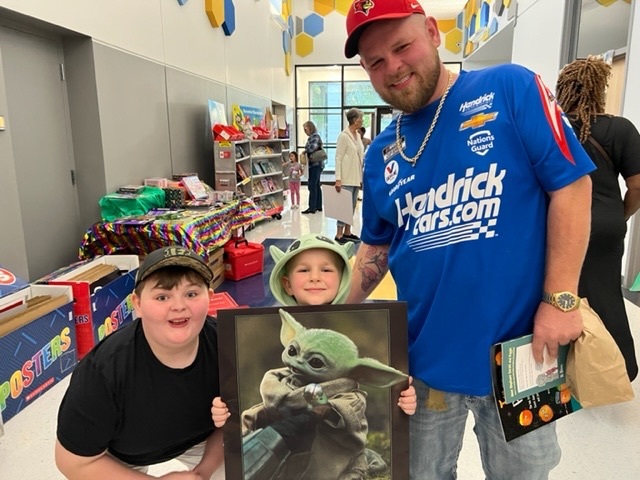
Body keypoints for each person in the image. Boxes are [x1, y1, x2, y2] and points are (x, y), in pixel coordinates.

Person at [342, 1, 596, 479]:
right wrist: (327, 311)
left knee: (524, 473)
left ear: (433, 33)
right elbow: (374, 251)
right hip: (422, 361)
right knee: (421, 473)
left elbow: (572, 184)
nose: (392, 67)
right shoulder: (380, 154)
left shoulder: (510, 87)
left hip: (527, 352)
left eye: (402, 46)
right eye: (376, 61)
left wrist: (561, 299)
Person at [212, 234, 416, 476]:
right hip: (277, 445)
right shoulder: (282, 377)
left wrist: (403, 400)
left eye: (326, 269)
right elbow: (258, 410)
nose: (315, 277)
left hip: (327, 454)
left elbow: (349, 416)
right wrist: (226, 413)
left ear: (342, 280)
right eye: (304, 270)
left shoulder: (349, 393)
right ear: (287, 283)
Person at [55, 246, 224, 480]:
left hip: (204, 440)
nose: (178, 306)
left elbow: (235, 425)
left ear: (210, 298)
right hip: (120, 456)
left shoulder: (227, 344)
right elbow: (73, 462)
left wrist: (202, 474)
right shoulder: (104, 371)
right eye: (162, 296)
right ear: (138, 304)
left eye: (192, 294)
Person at [556, 56, 640, 381]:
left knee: (559, 295)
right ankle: (617, 370)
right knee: (606, 294)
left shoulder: (554, 129)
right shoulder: (620, 129)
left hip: (558, 224)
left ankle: (558, 370)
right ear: (600, 88)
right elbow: (636, 185)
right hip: (605, 224)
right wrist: (619, 214)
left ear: (563, 89)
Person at [334, 108, 365, 244]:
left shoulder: (357, 136)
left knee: (352, 206)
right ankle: (339, 234)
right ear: (354, 120)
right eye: (360, 118)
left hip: (355, 176)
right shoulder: (344, 136)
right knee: (343, 206)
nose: (362, 121)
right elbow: (338, 157)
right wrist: (338, 178)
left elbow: (360, 156)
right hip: (345, 177)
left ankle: (348, 231)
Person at [301, 121, 324, 214]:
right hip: (317, 164)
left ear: (310, 128)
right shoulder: (314, 136)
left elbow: (312, 148)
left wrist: (304, 151)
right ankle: (318, 206)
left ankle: (312, 207)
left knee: (312, 186)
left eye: (305, 129)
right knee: (316, 185)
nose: (304, 131)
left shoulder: (314, 136)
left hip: (315, 165)